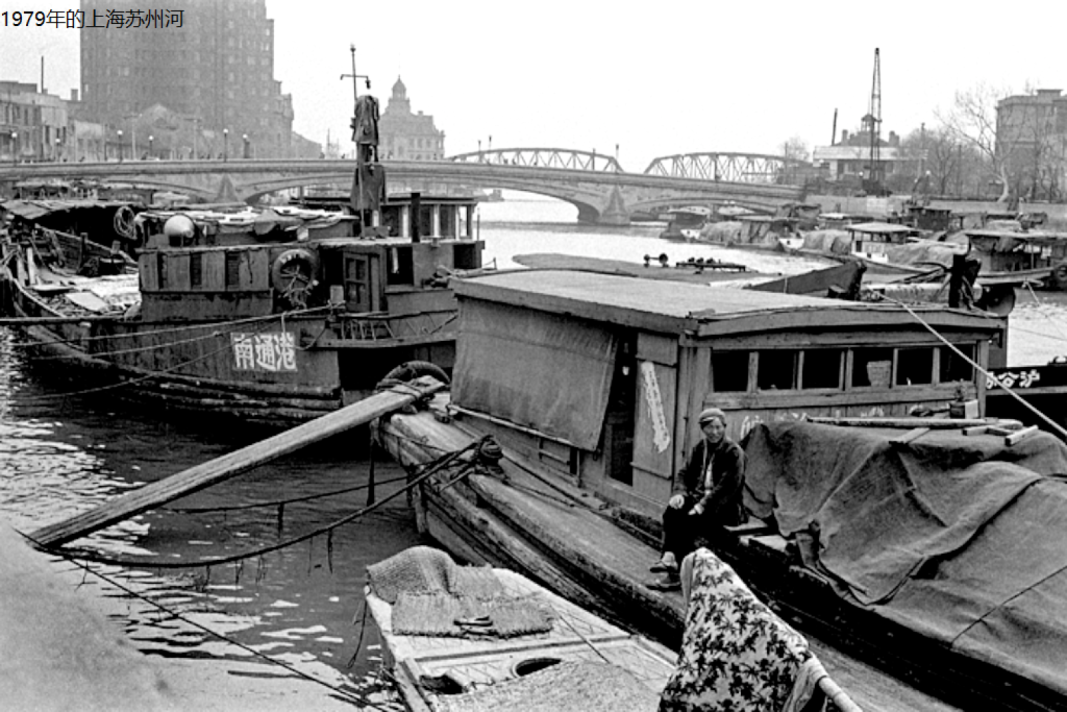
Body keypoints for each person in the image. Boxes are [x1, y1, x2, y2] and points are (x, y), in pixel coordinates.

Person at [647, 407, 746, 592]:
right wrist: (679, 493)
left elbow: (727, 488)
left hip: (724, 508)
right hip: (699, 500)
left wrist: (701, 506)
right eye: (710, 428)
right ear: (703, 429)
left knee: (687, 522)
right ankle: (669, 557)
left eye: (718, 427)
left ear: (724, 427)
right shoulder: (700, 448)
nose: (714, 432)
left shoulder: (733, 452)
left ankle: (677, 574)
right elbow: (684, 474)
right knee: (672, 511)